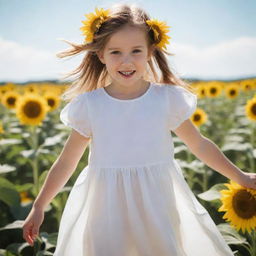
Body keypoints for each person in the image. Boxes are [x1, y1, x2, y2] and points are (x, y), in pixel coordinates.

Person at [22, 3, 256, 256]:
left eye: (136, 51)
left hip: (157, 202)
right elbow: (67, 161)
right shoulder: (90, 105)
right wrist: (39, 204)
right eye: (115, 52)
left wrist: (240, 176)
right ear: (100, 55)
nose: (126, 61)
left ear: (150, 52)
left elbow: (198, 144)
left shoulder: (166, 99)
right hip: (106, 206)